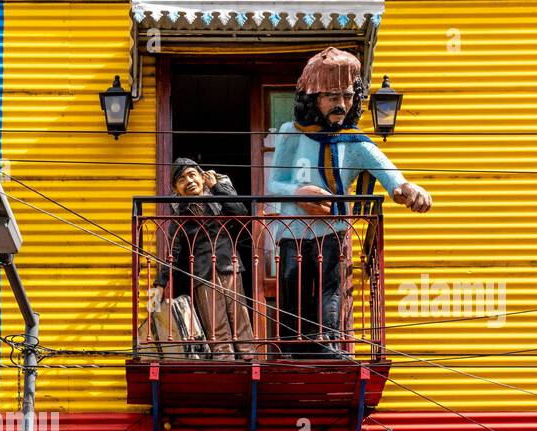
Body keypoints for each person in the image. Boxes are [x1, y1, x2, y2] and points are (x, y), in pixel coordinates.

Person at [266, 48, 431, 357]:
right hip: (292, 230)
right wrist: (299, 194)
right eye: (330, 96)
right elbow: (273, 182)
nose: (340, 105)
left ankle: (327, 343)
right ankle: (290, 347)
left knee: (331, 286)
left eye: (346, 96)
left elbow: (390, 174)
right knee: (292, 284)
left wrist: (408, 190)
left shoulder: (355, 142)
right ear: (313, 99)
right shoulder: (291, 133)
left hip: (334, 229)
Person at [148, 159, 256, 359]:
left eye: (192, 175)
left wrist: (216, 186)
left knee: (238, 313)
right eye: (181, 179)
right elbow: (173, 253)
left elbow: (241, 212)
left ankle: (248, 356)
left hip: (228, 264)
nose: (188, 181)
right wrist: (159, 284)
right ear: (176, 189)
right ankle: (225, 360)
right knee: (215, 321)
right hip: (202, 273)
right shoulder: (179, 217)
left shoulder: (217, 200)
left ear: (201, 177)